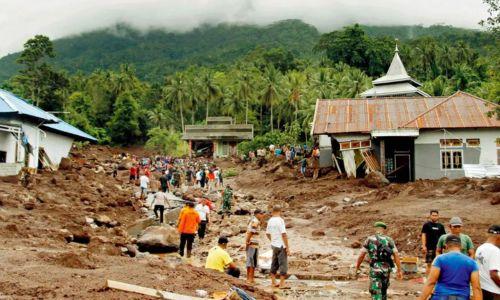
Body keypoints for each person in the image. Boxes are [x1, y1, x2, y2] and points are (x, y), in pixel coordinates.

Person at [419, 234, 482, 300]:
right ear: (461, 246)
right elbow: (476, 288)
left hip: (441, 296)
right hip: (462, 297)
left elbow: (431, 282)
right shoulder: (471, 262)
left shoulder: (440, 259)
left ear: (446, 246)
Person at [355, 222, 403, 300]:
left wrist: (357, 267)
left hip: (375, 268)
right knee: (384, 291)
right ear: (384, 229)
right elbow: (396, 255)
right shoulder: (389, 240)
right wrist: (399, 270)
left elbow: (361, 255)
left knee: (376, 291)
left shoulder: (369, 239)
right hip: (386, 269)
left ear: (375, 228)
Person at [266, 206, 290, 289]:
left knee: (274, 263)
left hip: (274, 245)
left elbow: (267, 234)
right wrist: (287, 247)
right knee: (283, 264)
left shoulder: (270, 220)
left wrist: (272, 241)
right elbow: (284, 234)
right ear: (280, 211)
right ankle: (282, 284)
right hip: (281, 245)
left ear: (273, 211)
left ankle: (273, 282)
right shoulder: (280, 220)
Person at [475, 225, 500, 299]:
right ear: (498, 235)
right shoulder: (495, 251)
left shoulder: (480, 248)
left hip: (482, 289)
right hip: (494, 292)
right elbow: (493, 274)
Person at [421, 210, 447, 275]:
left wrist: (444, 246)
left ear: (438, 216)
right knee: (429, 264)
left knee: (439, 264)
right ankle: (428, 280)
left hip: (438, 249)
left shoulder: (441, 226)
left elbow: (443, 237)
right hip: (429, 247)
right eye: (433, 215)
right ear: (430, 216)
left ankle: (437, 280)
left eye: (436, 215)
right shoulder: (426, 225)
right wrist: (424, 246)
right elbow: (423, 235)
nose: (434, 217)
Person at [245, 209, 266, 284]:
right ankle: (249, 278)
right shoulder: (255, 221)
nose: (262, 215)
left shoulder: (256, 221)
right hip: (252, 243)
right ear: (257, 214)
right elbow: (251, 232)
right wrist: (247, 242)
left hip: (255, 244)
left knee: (253, 261)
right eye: (261, 214)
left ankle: (251, 278)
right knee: (250, 261)